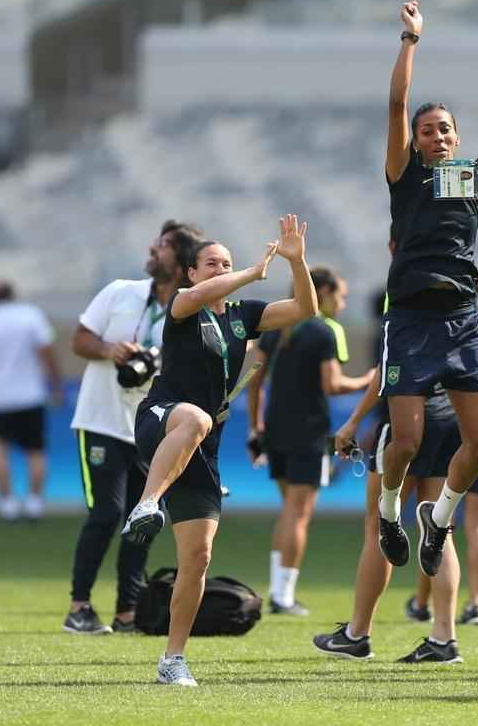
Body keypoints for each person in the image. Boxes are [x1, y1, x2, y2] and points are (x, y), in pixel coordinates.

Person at [120, 215, 318, 686]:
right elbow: (199, 297)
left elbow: (305, 309)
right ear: (190, 273)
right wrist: (251, 271)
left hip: (202, 447)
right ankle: (146, 504)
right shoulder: (182, 304)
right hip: (162, 419)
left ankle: (172, 660)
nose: (220, 269)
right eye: (211, 263)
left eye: (226, 263)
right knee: (196, 418)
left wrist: (297, 262)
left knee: (198, 557)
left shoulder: (243, 316)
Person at [314, 241, 478, 663]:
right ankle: (444, 637)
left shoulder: (404, 294)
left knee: (379, 527)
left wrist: (353, 422)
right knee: (440, 528)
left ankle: (358, 634)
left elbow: (385, 373)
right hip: (449, 424)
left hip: (408, 422)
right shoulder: (461, 292)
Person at [376, 0, 478, 581]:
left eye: (445, 130)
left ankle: (437, 520)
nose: (436, 136)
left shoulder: (473, 178)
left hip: (461, 317)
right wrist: (411, 39)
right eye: (427, 130)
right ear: (415, 141)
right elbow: (396, 102)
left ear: (457, 139)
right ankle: (390, 512)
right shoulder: (404, 175)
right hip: (411, 316)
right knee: (406, 442)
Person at [63, 220, 202, 635]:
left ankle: (127, 612)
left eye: (163, 246)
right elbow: (79, 340)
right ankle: (79, 607)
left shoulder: (188, 309)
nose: (152, 250)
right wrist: (111, 350)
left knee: (142, 517)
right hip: (102, 419)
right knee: (105, 514)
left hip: (150, 429)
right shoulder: (121, 291)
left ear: (181, 261)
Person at [246, 266, 374, 617]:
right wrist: (368, 380)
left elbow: (255, 381)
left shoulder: (275, 325)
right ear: (323, 292)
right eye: (340, 296)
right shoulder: (323, 330)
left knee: (289, 511)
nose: (342, 304)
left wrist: (255, 428)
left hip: (274, 430)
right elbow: (332, 384)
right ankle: (283, 596)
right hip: (308, 431)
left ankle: (279, 590)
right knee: (298, 514)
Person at [408, 275, 478, 627]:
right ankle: (475, 604)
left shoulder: (443, 331)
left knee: (439, 524)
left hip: (451, 436)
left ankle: (423, 602)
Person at [0, 280, 61, 520]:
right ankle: (35, 502)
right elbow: (47, 351)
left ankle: (7, 503)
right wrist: (55, 385)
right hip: (31, 396)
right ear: (13, 294)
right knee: (36, 450)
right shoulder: (31, 315)